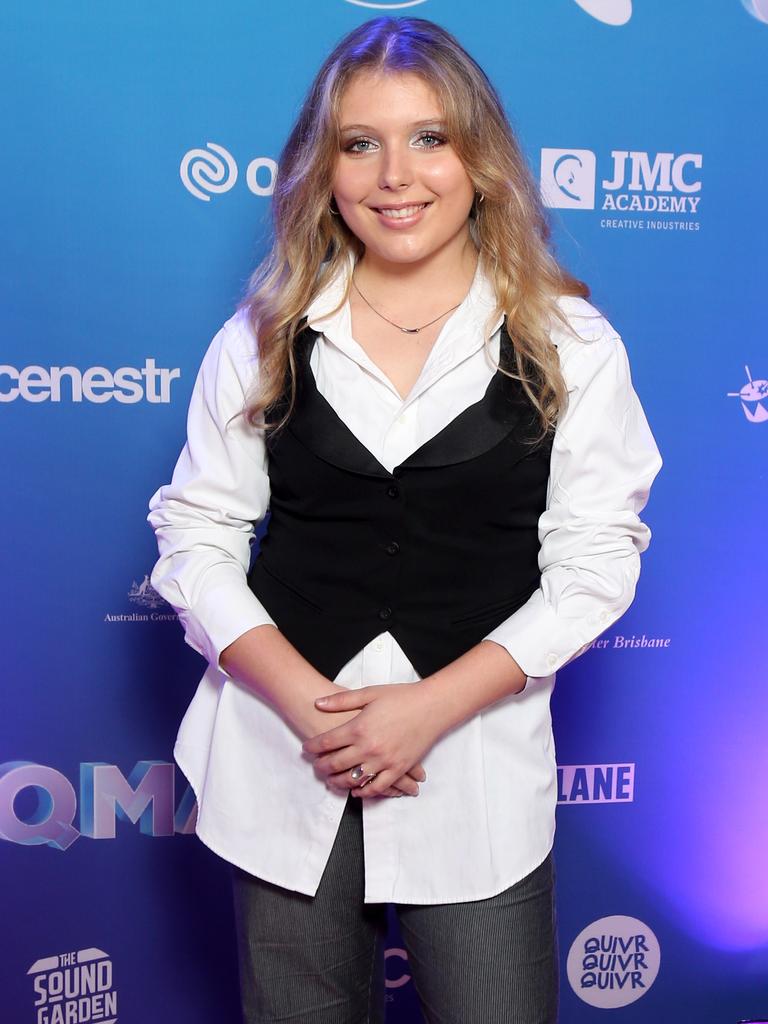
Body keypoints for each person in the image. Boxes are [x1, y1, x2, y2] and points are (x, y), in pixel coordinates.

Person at [147, 16, 662, 1024]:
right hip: (284, 754)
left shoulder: (569, 341)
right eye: (359, 141)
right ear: (323, 169)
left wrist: (430, 706)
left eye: (430, 137)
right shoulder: (261, 334)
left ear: (482, 159)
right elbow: (196, 536)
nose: (396, 173)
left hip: (470, 763)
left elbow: (596, 563)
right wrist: (307, 705)